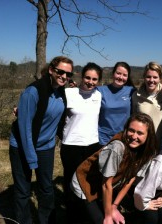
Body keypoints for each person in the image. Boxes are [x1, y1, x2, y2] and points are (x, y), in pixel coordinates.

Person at [9, 56, 74, 224]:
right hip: (22, 146)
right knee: (23, 190)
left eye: (68, 74)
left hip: (46, 147)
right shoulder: (33, 92)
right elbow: (24, 129)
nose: (64, 76)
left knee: (46, 189)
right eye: (60, 72)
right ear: (51, 70)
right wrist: (31, 158)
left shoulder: (62, 92)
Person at [70, 112, 158, 224]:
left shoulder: (148, 153)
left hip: (107, 184)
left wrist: (114, 206)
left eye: (140, 133)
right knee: (100, 220)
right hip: (86, 183)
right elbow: (106, 185)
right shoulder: (117, 148)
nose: (134, 136)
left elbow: (130, 179)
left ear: (148, 135)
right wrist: (108, 216)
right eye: (131, 130)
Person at [59, 62, 103, 223]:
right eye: (87, 77)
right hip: (71, 145)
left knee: (89, 184)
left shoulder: (99, 95)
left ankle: (87, 216)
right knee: (71, 184)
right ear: (81, 76)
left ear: (98, 81)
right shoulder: (69, 93)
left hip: (92, 145)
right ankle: (72, 216)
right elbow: (48, 102)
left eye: (94, 79)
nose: (90, 82)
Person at [97, 62, 136, 146]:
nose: (121, 77)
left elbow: (147, 92)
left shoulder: (132, 91)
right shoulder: (100, 91)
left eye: (124, 75)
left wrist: (160, 87)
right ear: (113, 73)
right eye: (118, 73)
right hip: (103, 138)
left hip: (124, 137)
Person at [132, 61, 162, 141]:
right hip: (142, 142)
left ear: (160, 78)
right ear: (144, 77)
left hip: (161, 142)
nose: (151, 80)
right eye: (148, 77)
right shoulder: (136, 95)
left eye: (155, 77)